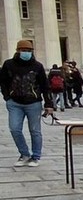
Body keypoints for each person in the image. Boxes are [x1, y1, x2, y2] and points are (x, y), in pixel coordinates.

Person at [0, 39, 55, 167]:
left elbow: (45, 86)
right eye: (24, 50)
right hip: (14, 103)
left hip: (33, 103)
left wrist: (49, 104)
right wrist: (7, 97)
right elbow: (3, 81)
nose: (26, 53)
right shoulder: (8, 64)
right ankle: (24, 154)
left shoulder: (37, 66)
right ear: (18, 51)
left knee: (35, 131)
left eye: (29, 51)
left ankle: (35, 156)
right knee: (14, 129)